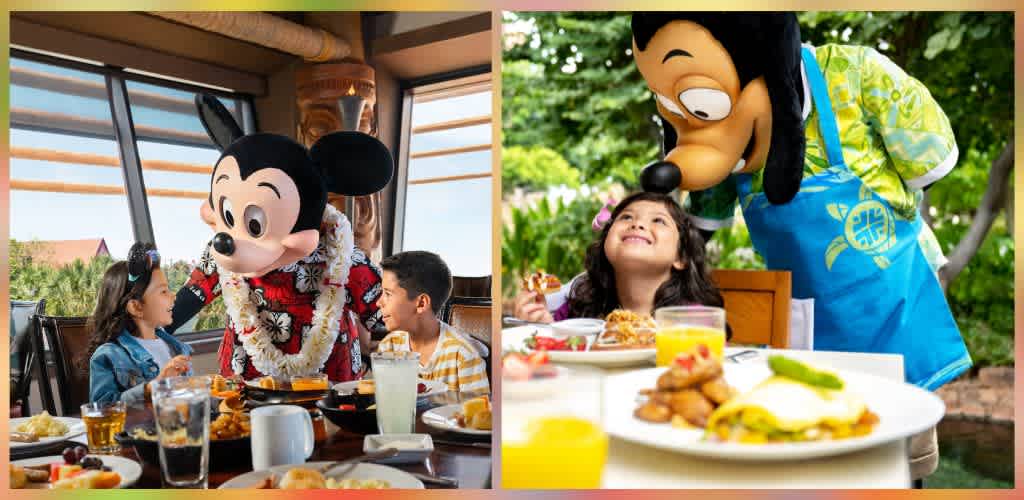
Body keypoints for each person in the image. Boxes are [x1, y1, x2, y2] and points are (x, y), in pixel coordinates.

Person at [514, 191, 724, 323]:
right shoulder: (578, 310)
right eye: (626, 217)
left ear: (681, 257)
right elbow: (553, 350)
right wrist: (538, 323)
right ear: (606, 240)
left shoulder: (693, 320)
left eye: (658, 221)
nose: (637, 224)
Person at [85, 243, 192, 404]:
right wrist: (152, 388)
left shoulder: (176, 348)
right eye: (163, 291)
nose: (173, 296)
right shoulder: (108, 356)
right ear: (136, 307)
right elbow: (103, 409)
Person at [375, 251, 489, 393]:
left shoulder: (463, 356)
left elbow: (480, 406)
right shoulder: (389, 346)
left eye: (388, 294)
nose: (378, 302)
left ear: (421, 303)